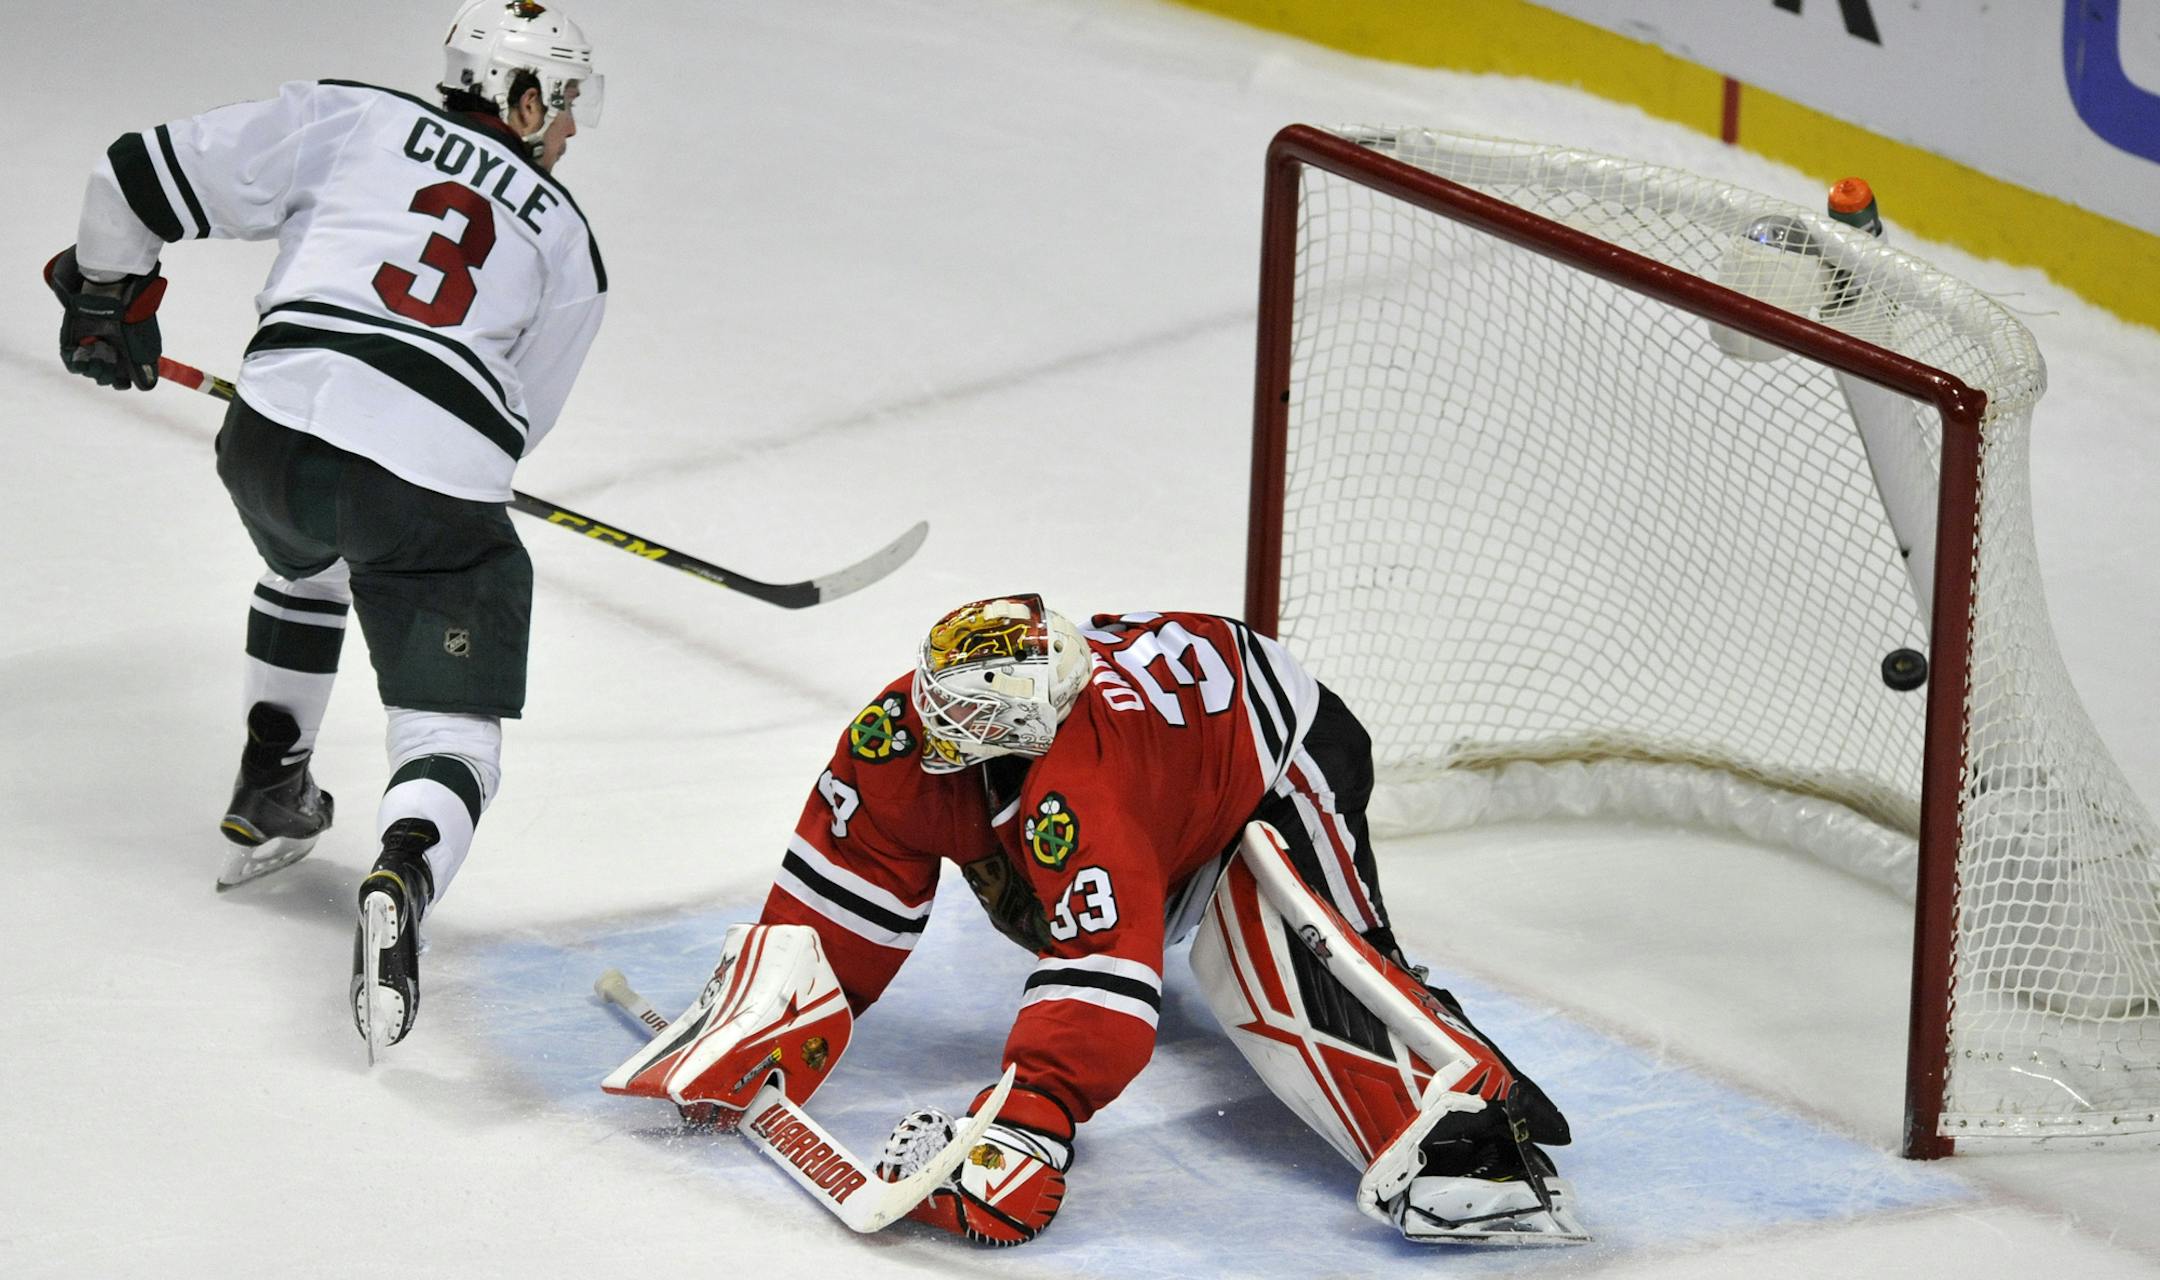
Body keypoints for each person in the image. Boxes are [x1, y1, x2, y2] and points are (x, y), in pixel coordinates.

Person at [615, 596, 1588, 1246]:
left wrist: (1031, 1122)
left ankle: (1475, 1126)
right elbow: (852, 865)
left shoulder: (1085, 791)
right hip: (1171, 740)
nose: (924, 715)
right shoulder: (902, 732)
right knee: (1053, 883)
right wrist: (777, 1005)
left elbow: (1106, 968)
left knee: (1303, 951)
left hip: (1276, 745)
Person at [42, 0, 607, 1057]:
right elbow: (514, 427)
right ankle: (405, 868)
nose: (573, 127)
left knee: (310, 560)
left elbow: (131, 173)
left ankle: (272, 783)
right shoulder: (570, 241)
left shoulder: (348, 117)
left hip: (268, 441)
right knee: (453, 729)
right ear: (524, 100)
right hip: (423, 483)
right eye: (566, 101)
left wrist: (105, 297)